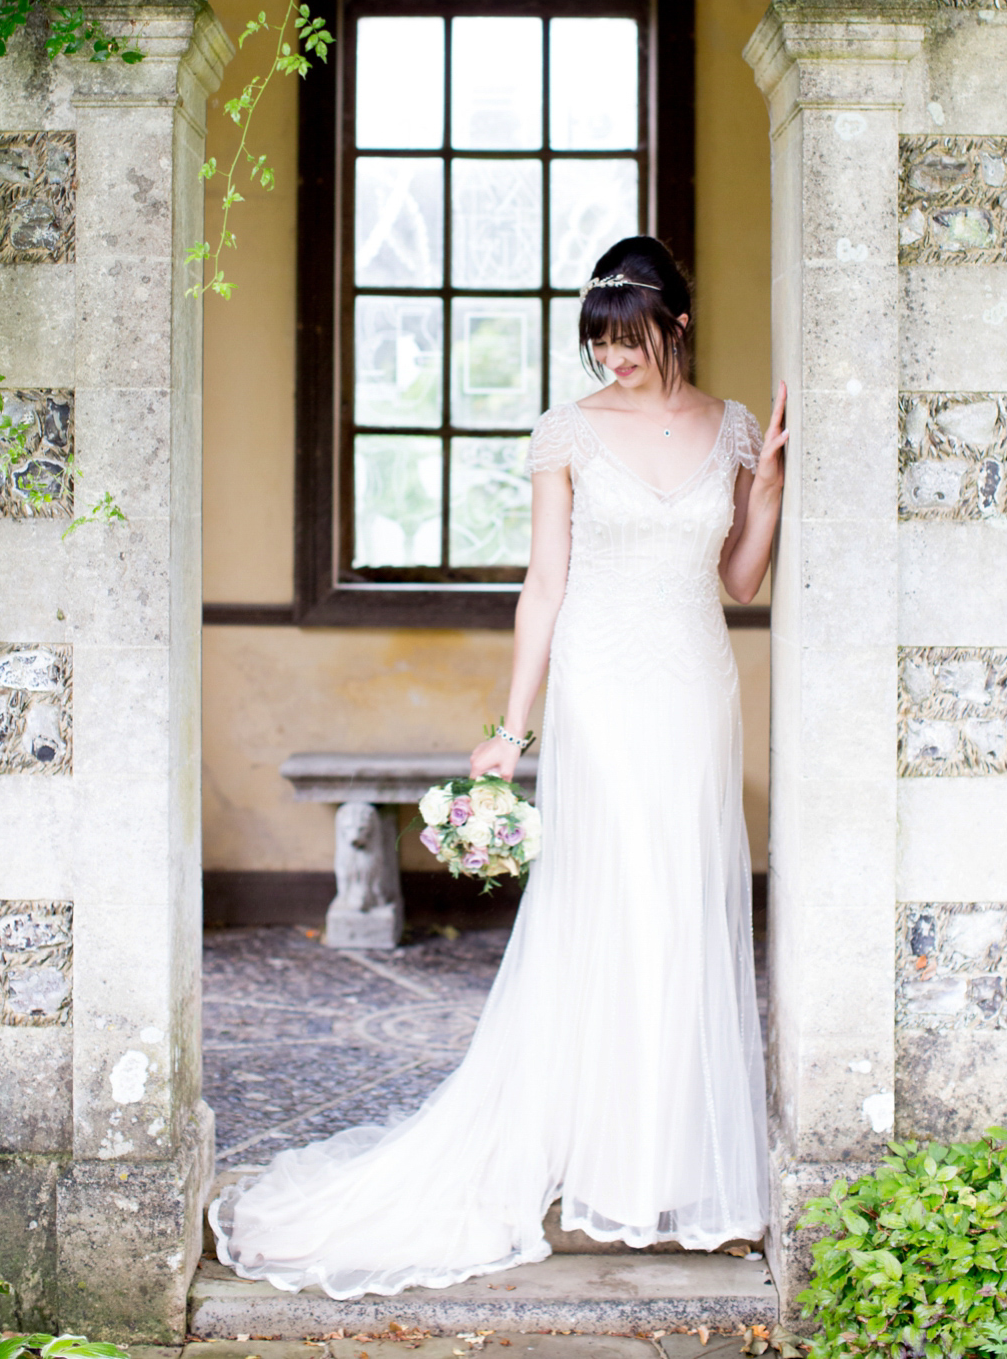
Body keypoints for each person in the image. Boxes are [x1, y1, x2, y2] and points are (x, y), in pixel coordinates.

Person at [212, 234, 788, 1299]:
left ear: (679, 323)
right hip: (601, 688)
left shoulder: (736, 427)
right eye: (600, 342)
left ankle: (669, 1162)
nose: (614, 359)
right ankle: (595, 1154)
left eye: (632, 340)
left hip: (699, 689)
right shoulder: (566, 431)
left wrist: (772, 485)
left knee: (686, 903)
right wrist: (510, 731)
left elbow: (743, 580)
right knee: (611, 901)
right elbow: (544, 583)